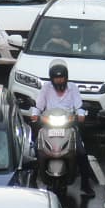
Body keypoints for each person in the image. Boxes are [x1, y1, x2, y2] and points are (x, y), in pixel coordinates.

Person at [32, 62, 94, 197]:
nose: (59, 80)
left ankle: (85, 185)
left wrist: (81, 115)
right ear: (51, 79)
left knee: (82, 153)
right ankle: (32, 182)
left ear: (66, 78)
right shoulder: (46, 89)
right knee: (34, 150)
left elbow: (79, 106)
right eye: (56, 78)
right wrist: (35, 114)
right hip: (48, 125)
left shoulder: (73, 88)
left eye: (61, 78)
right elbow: (38, 106)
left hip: (68, 125)